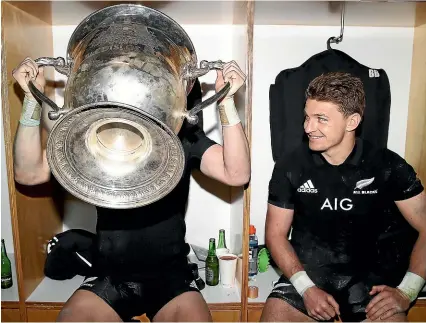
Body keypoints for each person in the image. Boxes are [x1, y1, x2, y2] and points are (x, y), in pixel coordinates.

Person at [12, 57, 250, 322]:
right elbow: (28, 174)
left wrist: (226, 100)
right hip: (110, 275)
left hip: (171, 275)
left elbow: (237, 173)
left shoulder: (183, 139)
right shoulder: (96, 137)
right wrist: (33, 98)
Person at [260, 72, 426, 322]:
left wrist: (406, 292)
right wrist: (306, 288)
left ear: (352, 121)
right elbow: (275, 235)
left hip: (372, 286)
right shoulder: (290, 166)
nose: (308, 127)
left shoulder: (388, 167)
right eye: (307, 117)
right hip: (309, 277)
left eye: (320, 119)